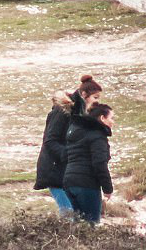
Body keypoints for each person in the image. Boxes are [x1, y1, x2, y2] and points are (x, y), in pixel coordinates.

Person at [34, 75, 103, 215]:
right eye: (95, 97)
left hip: (70, 173)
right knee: (69, 214)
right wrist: (70, 155)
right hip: (54, 170)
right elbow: (50, 140)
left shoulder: (82, 115)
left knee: (79, 216)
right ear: (84, 95)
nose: (97, 102)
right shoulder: (62, 111)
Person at [63, 103, 115, 224]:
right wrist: (108, 188)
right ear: (102, 118)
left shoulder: (76, 132)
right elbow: (99, 164)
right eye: (111, 118)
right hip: (87, 185)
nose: (113, 122)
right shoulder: (98, 136)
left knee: (75, 227)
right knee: (91, 226)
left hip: (69, 182)